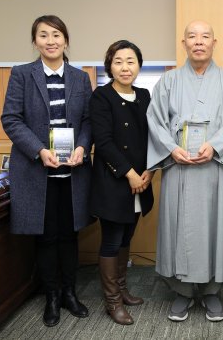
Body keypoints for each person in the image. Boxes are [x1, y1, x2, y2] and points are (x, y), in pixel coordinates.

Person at [146, 20, 223, 323]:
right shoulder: (168, 82)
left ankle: (213, 291)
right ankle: (182, 291)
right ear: (184, 43)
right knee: (179, 227)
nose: (198, 42)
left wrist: (215, 146)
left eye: (205, 37)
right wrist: (171, 148)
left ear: (215, 43)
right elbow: (155, 120)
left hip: (213, 167)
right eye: (192, 36)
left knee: (215, 226)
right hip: (179, 167)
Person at [1, 15, 92, 327]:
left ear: (66, 40)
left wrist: (82, 146)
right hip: (36, 171)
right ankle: (51, 296)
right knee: (46, 237)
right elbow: (11, 118)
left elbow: (89, 121)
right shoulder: (22, 75)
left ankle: (70, 292)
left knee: (69, 234)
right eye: (43, 35)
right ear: (35, 41)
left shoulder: (81, 78)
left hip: (73, 173)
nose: (50, 40)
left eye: (56, 34)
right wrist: (40, 151)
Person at [89, 40, 154, 325]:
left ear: (139, 65)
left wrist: (150, 171)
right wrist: (129, 173)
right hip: (114, 181)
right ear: (109, 66)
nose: (125, 67)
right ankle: (112, 301)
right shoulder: (101, 96)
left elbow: (154, 136)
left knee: (128, 236)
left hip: (142, 179)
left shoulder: (144, 94)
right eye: (118, 61)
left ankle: (123, 289)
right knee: (112, 240)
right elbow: (103, 142)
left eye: (130, 61)